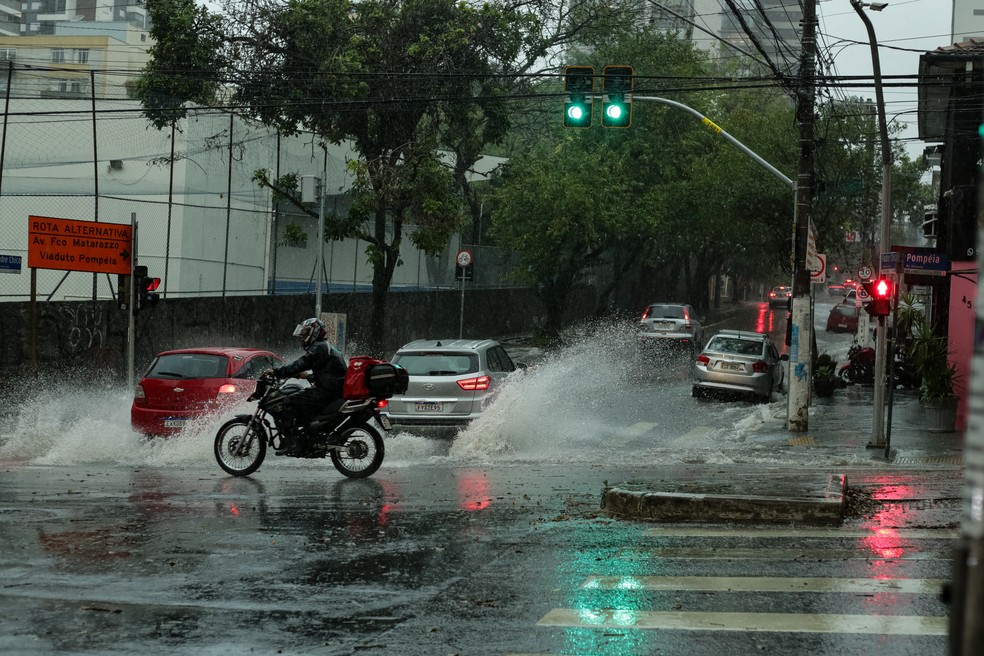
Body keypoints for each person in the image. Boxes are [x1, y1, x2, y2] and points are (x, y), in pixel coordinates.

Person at [263, 317, 347, 454]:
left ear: (314, 332)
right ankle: (308, 436)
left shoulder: (318, 347)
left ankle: (293, 443)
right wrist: (307, 376)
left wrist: (277, 372)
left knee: (286, 403)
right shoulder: (327, 347)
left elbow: (301, 363)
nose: (302, 338)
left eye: (304, 334)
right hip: (333, 389)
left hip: (326, 392)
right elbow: (329, 373)